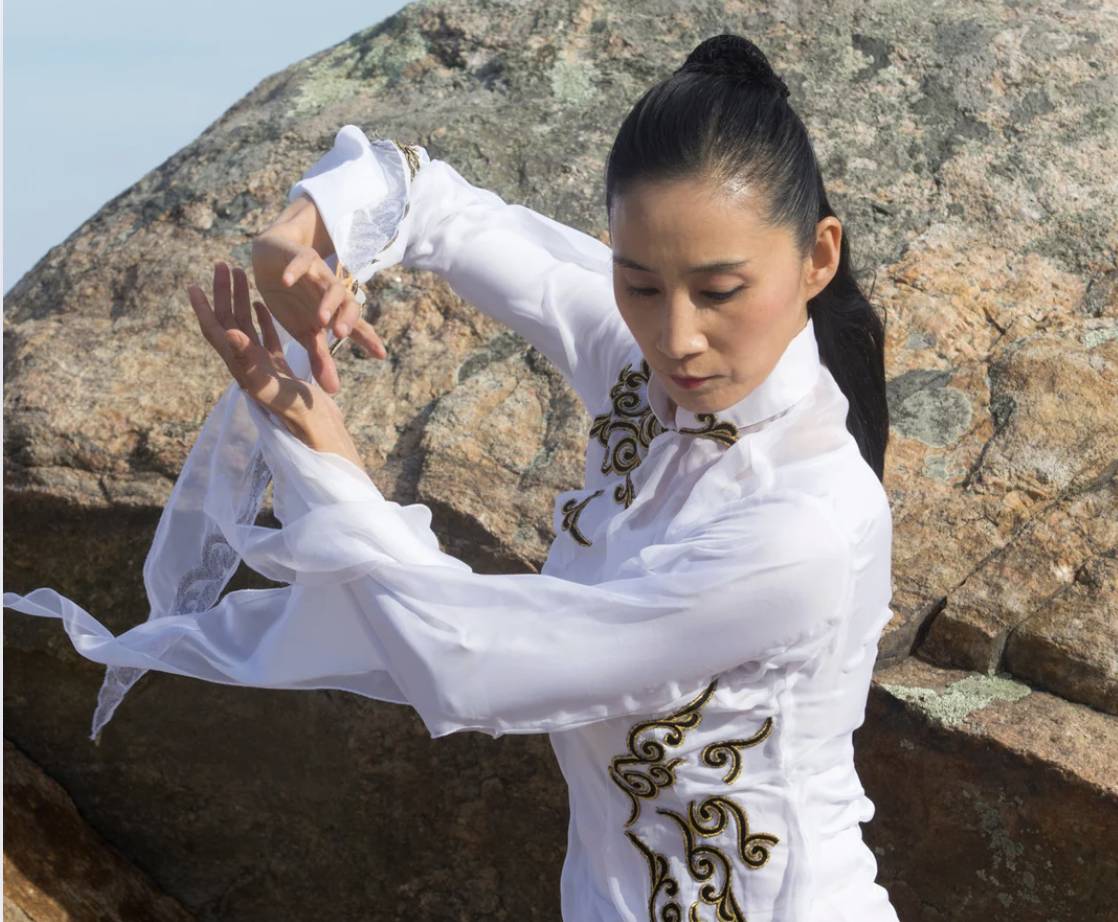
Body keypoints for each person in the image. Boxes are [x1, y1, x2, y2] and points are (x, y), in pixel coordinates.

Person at [3, 32, 899, 922]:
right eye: (638, 284)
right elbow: (438, 206)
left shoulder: (805, 529)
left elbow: (470, 662)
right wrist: (307, 234)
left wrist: (325, 448)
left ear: (818, 257)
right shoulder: (646, 375)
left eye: (719, 291)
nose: (675, 336)